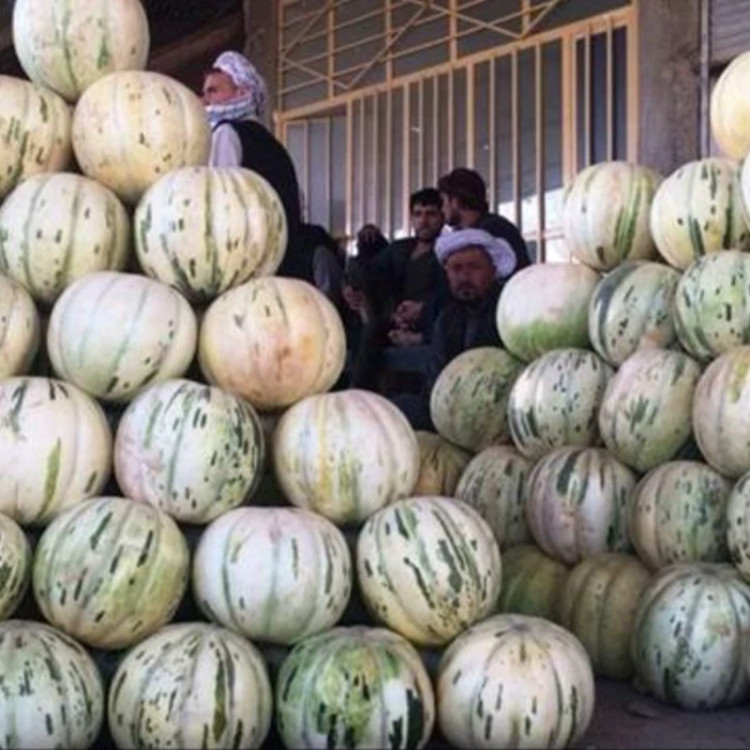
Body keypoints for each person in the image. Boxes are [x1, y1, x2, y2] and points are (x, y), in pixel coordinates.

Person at [390, 228, 517, 428]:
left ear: (493, 270)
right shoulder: (447, 319)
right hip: (453, 414)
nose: (464, 276)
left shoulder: (509, 311)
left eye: (474, 267)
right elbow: (435, 383)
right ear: (447, 275)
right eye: (456, 268)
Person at [202, 51, 306, 279]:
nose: (206, 101)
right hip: (283, 266)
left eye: (213, 91)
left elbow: (218, 205)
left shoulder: (226, 133)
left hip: (246, 269)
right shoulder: (276, 146)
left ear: (242, 92)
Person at [346, 190, 446, 390]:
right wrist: (349, 288)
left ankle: (358, 391)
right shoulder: (401, 249)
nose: (424, 221)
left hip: (429, 320)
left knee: (373, 331)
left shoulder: (447, 252)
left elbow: (447, 296)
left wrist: (422, 310)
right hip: (394, 317)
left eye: (430, 214)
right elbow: (368, 270)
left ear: (442, 217)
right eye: (418, 214)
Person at [437, 167, 531, 273]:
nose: (441, 209)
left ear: (455, 201)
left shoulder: (493, 230)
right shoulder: (491, 227)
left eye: (443, 201)